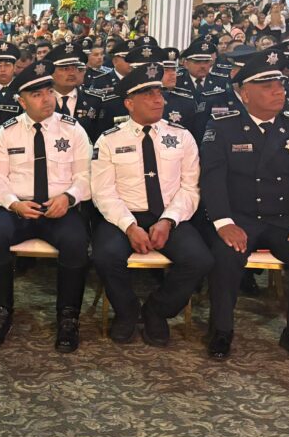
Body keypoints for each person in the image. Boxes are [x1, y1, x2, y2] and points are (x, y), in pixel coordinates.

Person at [199, 51, 289, 366]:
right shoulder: (224, 127)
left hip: (285, 220)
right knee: (225, 254)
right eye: (267, 86)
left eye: (280, 84)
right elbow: (212, 179)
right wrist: (223, 222)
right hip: (239, 217)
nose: (278, 91)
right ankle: (221, 329)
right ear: (244, 94)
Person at [91, 63, 212, 346]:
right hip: (124, 216)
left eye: (159, 93)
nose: (159, 100)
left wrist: (168, 221)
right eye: (148, 95)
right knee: (105, 256)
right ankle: (127, 311)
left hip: (170, 215)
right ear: (129, 103)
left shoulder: (182, 137)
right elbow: (103, 192)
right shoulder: (109, 140)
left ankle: (157, 310)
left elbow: (190, 187)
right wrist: (129, 226)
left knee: (200, 260)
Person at [0, 61, 92, 350]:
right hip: (18, 209)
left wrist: (68, 198)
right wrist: (14, 204)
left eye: (49, 92)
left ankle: (68, 317)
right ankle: (0, 312)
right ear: (21, 101)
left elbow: (86, 176)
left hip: (60, 208)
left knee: (76, 241)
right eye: (37, 94)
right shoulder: (7, 132)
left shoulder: (73, 130)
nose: (47, 99)